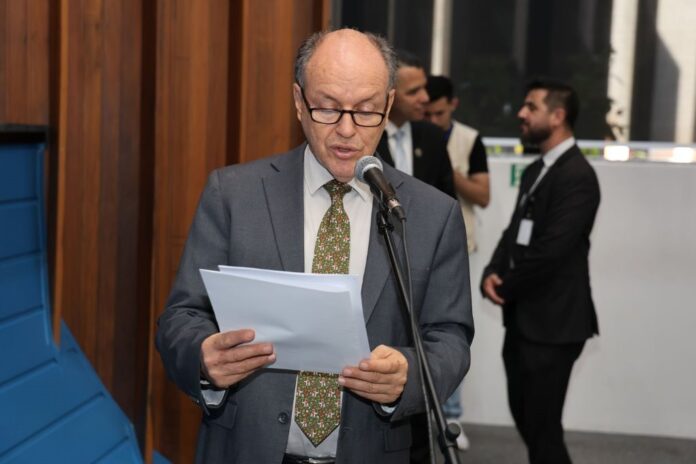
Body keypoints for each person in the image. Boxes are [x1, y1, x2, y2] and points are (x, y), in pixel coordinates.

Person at [156, 28, 474, 464]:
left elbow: (451, 338)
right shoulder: (234, 195)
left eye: (366, 111)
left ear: (388, 106)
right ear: (298, 101)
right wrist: (203, 358)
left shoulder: (430, 213)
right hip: (247, 449)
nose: (346, 130)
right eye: (327, 108)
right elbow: (181, 317)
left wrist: (408, 375)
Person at [481, 79, 600, 464]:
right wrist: (492, 271)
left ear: (558, 115)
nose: (521, 113)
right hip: (525, 319)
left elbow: (552, 252)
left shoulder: (578, 176)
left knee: (543, 430)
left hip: (554, 325)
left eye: (531, 107)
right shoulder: (537, 170)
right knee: (531, 422)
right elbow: (515, 231)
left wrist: (506, 286)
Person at [424, 74, 491, 450]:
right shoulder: (413, 135)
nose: (433, 120)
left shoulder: (470, 139)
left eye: (439, 113)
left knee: (450, 329)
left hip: (457, 246)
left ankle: (451, 416)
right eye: (427, 113)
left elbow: (483, 195)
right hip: (412, 242)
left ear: (453, 105)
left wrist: (447, 169)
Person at [376, 51, 456, 198]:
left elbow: (447, 198)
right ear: (389, 96)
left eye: (424, 88)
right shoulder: (370, 136)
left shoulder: (432, 136)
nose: (425, 98)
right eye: (413, 92)